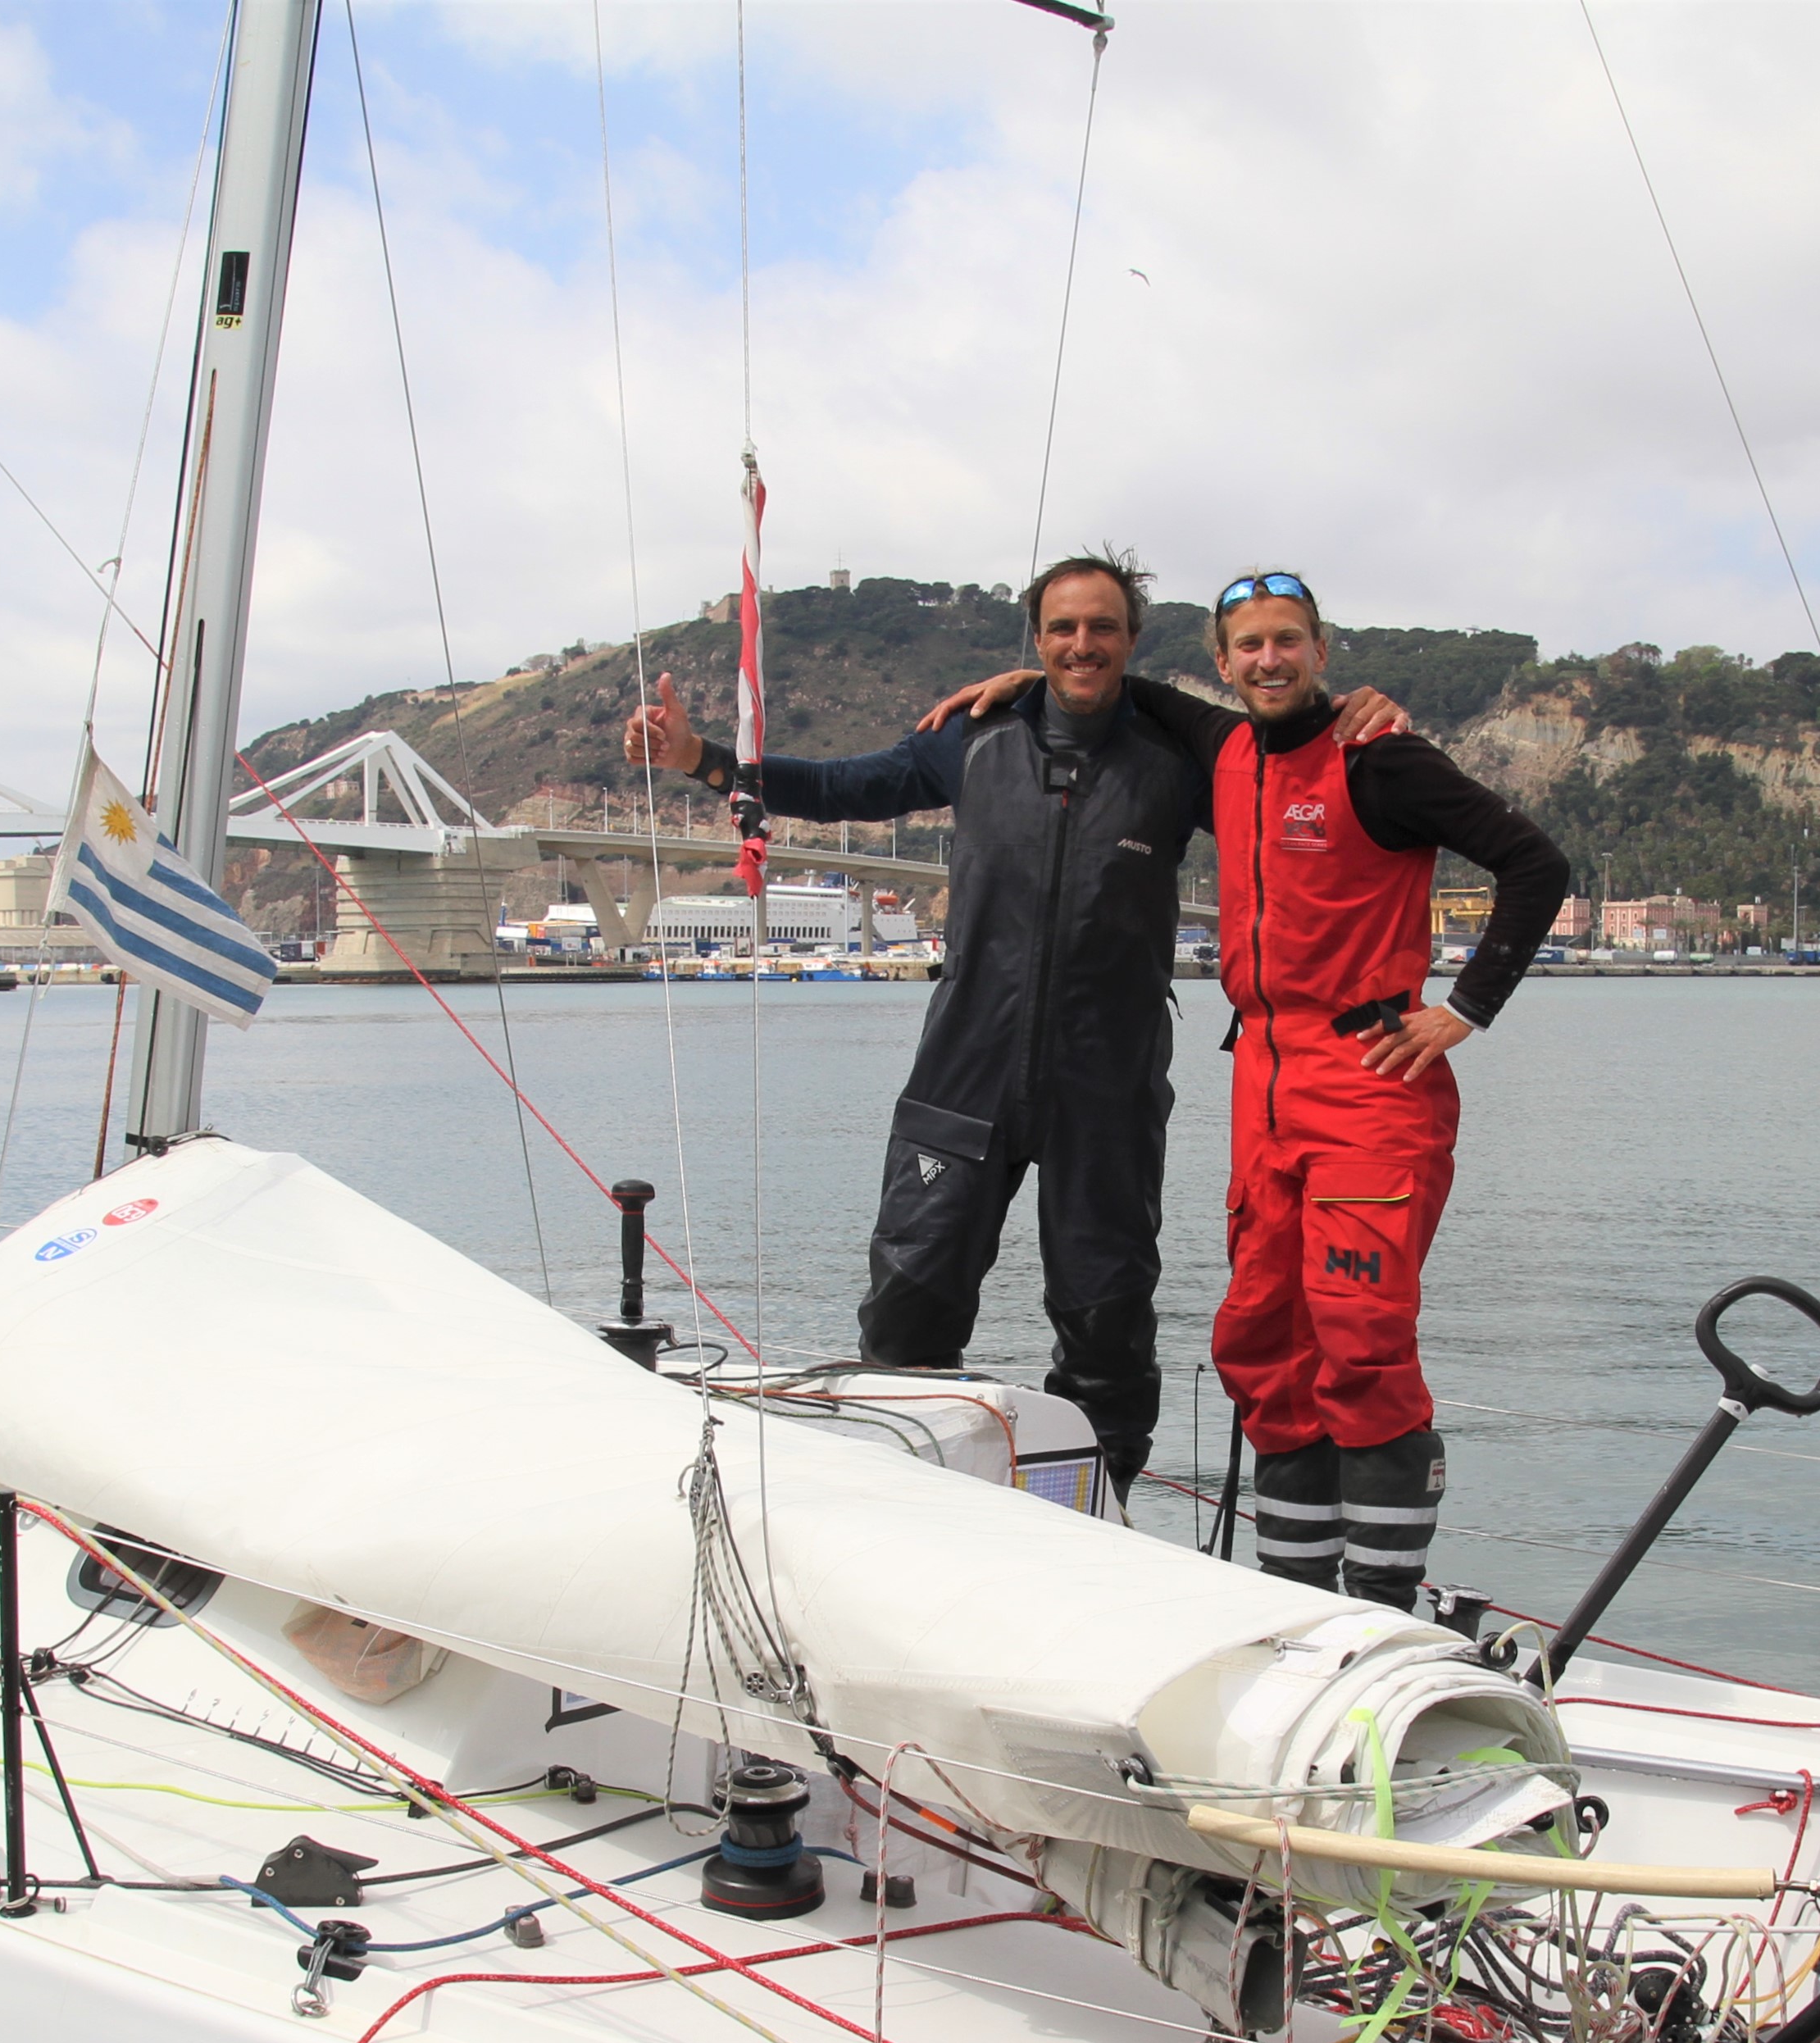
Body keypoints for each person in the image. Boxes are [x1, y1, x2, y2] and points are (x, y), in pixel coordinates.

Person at [621, 553, 1393, 1504]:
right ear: (1035, 640)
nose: (1082, 644)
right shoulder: (975, 740)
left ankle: (1093, 1533)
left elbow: (1289, 765)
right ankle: (909, 1518)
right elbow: (844, 786)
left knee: (1106, 1331)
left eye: (1102, 627)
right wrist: (702, 760)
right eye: (1063, 628)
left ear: (1131, 642)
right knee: (906, 1316)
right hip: (963, 1076)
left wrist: (1357, 714)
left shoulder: (1180, 762)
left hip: (1105, 1091)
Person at [947, 576, 1566, 1604]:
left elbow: (1533, 864)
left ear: (1322, 650)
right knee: (1265, 1344)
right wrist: (1031, 682)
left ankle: (1378, 1618)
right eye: (1248, 646)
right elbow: (1122, 686)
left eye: (1288, 641)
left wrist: (1467, 1008)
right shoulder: (1224, 748)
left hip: (1369, 1077)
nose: (1269, 660)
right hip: (1264, 1084)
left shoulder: (1381, 760)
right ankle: (1296, 1604)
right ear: (1223, 663)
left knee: (1360, 1340)